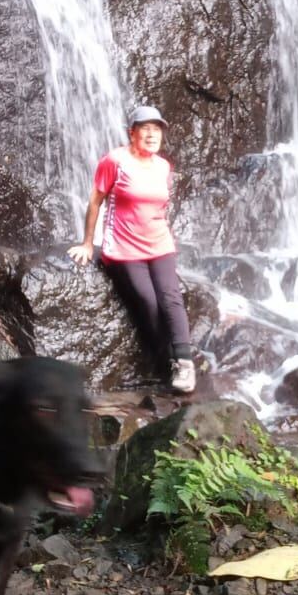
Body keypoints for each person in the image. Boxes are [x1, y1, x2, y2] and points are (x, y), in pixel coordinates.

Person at [68, 106, 196, 395]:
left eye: (157, 129)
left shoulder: (163, 166)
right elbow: (95, 202)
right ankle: (167, 360)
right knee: (148, 301)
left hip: (159, 242)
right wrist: (88, 243)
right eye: (145, 128)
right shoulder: (115, 160)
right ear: (132, 133)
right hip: (124, 246)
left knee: (171, 297)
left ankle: (185, 364)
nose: (152, 134)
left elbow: (157, 206)